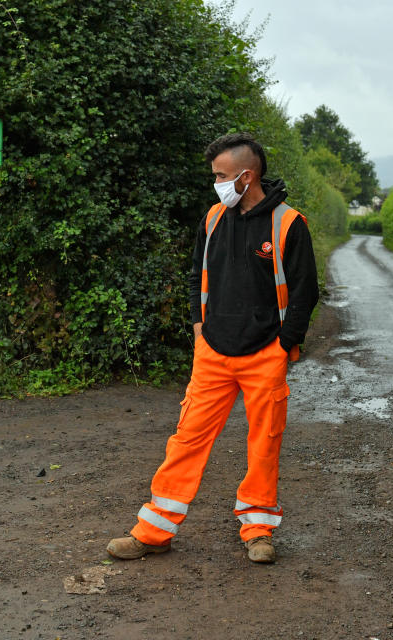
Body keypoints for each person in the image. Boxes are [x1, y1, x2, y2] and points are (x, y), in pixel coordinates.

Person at [107, 132, 319, 564]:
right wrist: (199, 328)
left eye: (221, 176)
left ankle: (258, 531)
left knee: (264, 445)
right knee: (186, 440)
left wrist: (284, 346)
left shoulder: (288, 224)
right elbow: (194, 277)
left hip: (265, 355)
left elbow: (305, 292)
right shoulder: (213, 218)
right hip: (213, 353)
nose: (216, 183)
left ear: (247, 175)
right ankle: (153, 532)